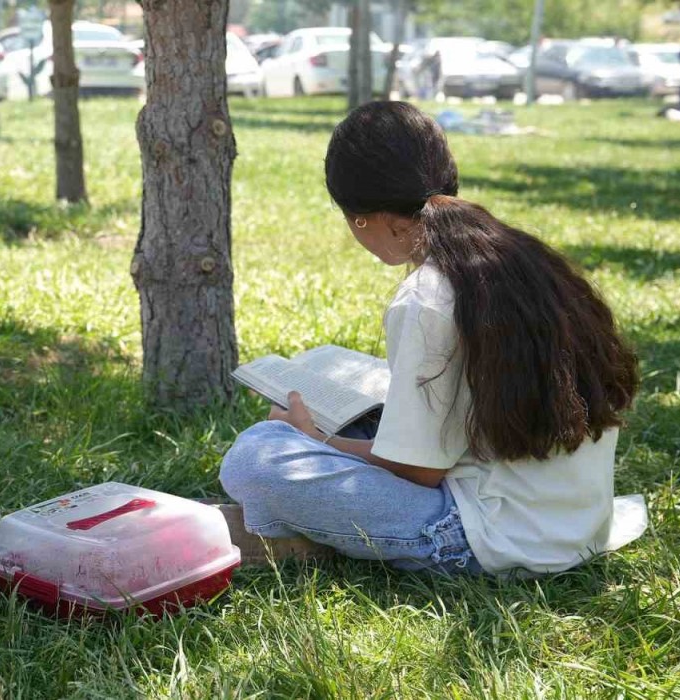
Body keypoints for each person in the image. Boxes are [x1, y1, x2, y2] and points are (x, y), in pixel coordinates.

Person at [220, 101, 641, 577]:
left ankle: (304, 532)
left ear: (365, 217)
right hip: (574, 520)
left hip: (491, 534)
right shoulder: (522, 257)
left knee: (257, 457)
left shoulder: (424, 299)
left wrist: (314, 440)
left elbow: (419, 473)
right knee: (354, 396)